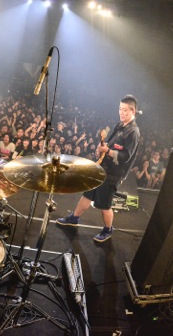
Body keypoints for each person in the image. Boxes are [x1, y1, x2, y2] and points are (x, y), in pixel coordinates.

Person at [56, 95, 141, 243]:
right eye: (120, 109)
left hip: (113, 174)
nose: (121, 113)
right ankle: (74, 218)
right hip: (102, 167)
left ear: (133, 111)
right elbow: (110, 144)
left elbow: (125, 156)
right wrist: (102, 148)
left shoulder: (133, 132)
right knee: (87, 194)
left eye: (125, 110)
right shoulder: (120, 126)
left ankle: (108, 229)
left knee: (105, 205)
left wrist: (107, 151)